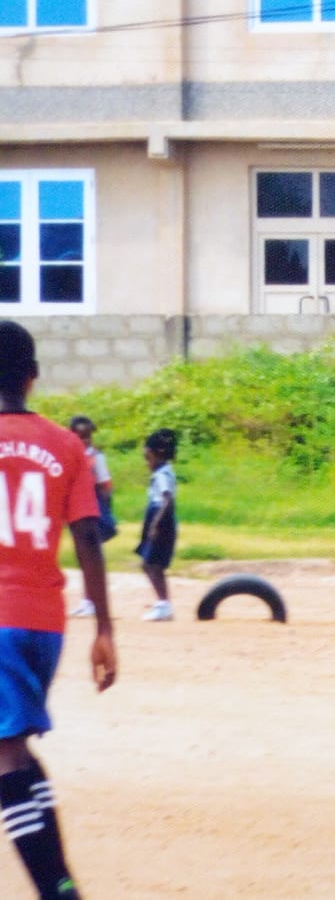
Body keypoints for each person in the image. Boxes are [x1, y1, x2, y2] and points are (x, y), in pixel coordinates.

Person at [0, 321, 116, 899]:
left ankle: (57, 890)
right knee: (17, 743)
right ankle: (61, 876)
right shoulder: (66, 445)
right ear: (33, 376)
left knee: (6, 755)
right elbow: (89, 536)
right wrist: (105, 630)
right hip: (44, 622)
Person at [67, 416, 116, 620]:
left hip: (91, 509)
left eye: (87, 436)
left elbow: (105, 486)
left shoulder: (96, 458)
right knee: (81, 556)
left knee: (90, 556)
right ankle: (87, 601)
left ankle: (92, 601)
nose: (85, 441)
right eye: (80, 436)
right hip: (75, 509)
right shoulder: (68, 455)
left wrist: (105, 511)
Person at [136, 428, 180, 622]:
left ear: (157, 455)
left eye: (148, 458)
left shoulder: (162, 475)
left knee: (150, 564)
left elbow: (167, 499)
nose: (147, 463)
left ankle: (164, 604)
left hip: (161, 520)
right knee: (152, 564)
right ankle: (163, 604)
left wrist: (156, 523)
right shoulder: (165, 472)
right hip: (159, 518)